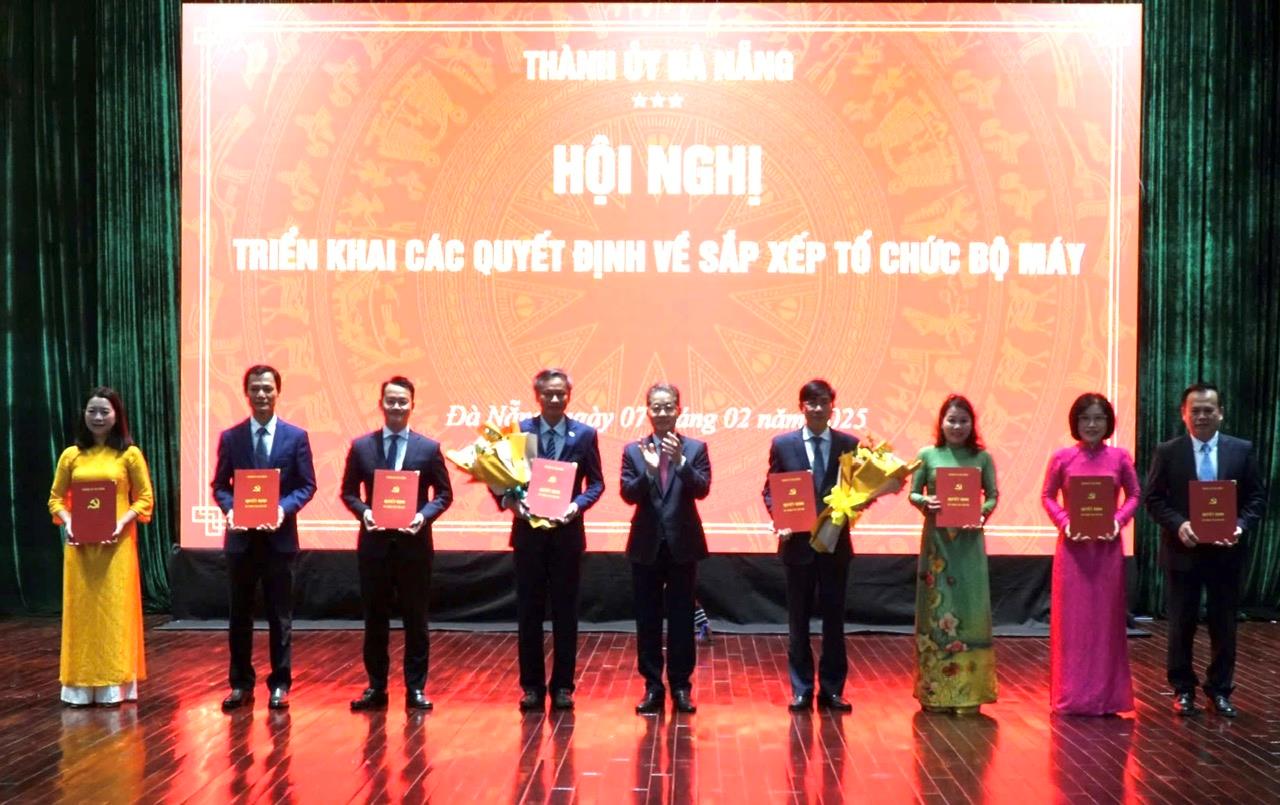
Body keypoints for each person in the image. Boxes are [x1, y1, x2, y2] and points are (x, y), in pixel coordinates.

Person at [1143, 382, 1267, 717]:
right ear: (1183, 414)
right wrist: (1179, 524)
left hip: (1227, 554)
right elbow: (1152, 499)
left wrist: (1239, 526)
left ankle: (1220, 690)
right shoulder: (1168, 452)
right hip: (1183, 552)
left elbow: (1256, 498)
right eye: (1194, 410)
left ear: (1221, 413)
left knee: (1223, 624)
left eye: (1208, 409)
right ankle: (1183, 690)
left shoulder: (1241, 450)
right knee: (1181, 623)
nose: (1201, 416)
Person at [341, 376, 453, 712]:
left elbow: (445, 494)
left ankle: (415, 689)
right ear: (381, 404)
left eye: (402, 401)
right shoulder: (362, 447)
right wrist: (364, 513)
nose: (396, 406)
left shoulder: (428, 448)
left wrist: (423, 515)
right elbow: (348, 492)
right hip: (374, 547)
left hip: (414, 548)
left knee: (416, 620)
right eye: (390, 400)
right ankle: (376, 687)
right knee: (375, 620)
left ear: (412, 405)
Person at [212, 365, 317, 711]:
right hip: (241, 541)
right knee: (238, 616)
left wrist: (282, 509)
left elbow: (307, 485)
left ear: (277, 392)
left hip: (279, 541)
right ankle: (240, 684)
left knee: (279, 616)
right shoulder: (231, 437)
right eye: (255, 389)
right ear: (246, 393)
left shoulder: (296, 437)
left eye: (267, 389)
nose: (261, 395)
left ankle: (280, 684)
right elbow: (220, 486)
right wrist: (230, 509)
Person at [500, 368, 605, 712]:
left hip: (567, 536)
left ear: (569, 396)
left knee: (565, 614)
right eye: (549, 394)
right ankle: (531, 687)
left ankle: (563, 687)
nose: (555, 399)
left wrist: (576, 506)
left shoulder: (585, 435)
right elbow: (503, 478)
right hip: (528, 535)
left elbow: (596, 483)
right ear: (538, 396)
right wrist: (510, 501)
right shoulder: (521, 431)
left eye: (561, 393)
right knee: (528, 613)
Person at [47, 387, 154, 707]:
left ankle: (113, 684)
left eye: (104, 412)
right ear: (84, 415)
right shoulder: (70, 455)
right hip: (80, 549)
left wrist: (122, 522)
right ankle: (79, 686)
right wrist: (69, 521)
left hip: (117, 548)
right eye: (92, 411)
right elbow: (55, 499)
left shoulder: (129, 455)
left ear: (117, 416)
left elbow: (145, 498)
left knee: (114, 615)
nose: (97, 417)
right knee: (82, 617)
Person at [762, 379, 861, 712]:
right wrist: (780, 516)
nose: (818, 408)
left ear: (833, 406)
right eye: (811, 402)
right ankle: (802, 688)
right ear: (801, 407)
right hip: (798, 547)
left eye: (823, 402)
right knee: (798, 621)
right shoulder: (783, 444)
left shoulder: (850, 445)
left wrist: (851, 508)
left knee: (834, 621)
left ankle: (832, 689)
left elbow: (858, 492)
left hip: (835, 545)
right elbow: (770, 490)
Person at [1040, 393, 1141, 715]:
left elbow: (1135, 495)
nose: (1092, 425)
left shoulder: (1121, 457)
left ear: (1108, 422)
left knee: (1106, 623)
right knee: (1074, 625)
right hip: (1073, 552)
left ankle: (1107, 698)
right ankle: (1071, 697)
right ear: (1076, 422)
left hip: (1107, 551)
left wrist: (1118, 520)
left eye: (1098, 418)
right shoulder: (1062, 458)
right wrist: (1065, 522)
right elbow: (1047, 496)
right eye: (1085, 418)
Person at [621, 383, 712, 715]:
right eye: (655, 407)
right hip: (645, 545)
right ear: (648, 411)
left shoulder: (696, 448)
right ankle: (652, 687)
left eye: (668, 406)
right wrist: (647, 472)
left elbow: (701, 489)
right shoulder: (633, 450)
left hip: (682, 546)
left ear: (679, 410)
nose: (662, 413)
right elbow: (628, 495)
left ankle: (681, 687)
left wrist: (682, 463)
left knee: (681, 620)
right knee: (647, 621)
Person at [908, 394, 999, 715]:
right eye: (951, 420)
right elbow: (913, 492)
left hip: (969, 543)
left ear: (972, 424)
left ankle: (969, 693)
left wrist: (981, 513)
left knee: (969, 607)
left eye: (963, 420)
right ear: (941, 423)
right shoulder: (927, 455)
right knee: (938, 607)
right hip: (938, 545)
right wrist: (924, 502)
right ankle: (935, 692)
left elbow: (993, 495)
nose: (957, 426)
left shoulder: (982, 458)